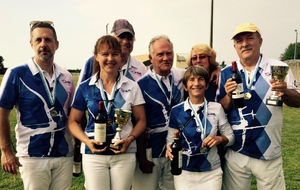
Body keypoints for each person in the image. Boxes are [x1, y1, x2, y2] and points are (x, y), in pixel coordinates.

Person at [216, 23, 300, 190]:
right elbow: (220, 109)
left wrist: (286, 92)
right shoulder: (226, 72)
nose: (244, 43)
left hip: (268, 151)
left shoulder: (279, 68)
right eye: (239, 40)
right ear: (235, 46)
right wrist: (228, 96)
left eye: (250, 38)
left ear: (260, 41)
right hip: (236, 151)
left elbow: (298, 100)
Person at [0, 21, 75, 190]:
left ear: (56, 44)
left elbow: (72, 115)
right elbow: (2, 113)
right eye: (38, 40)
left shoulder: (67, 76)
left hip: (64, 153)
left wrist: (77, 147)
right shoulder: (16, 73)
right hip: (32, 156)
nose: (43, 44)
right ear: (31, 43)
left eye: (48, 40)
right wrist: (6, 151)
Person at [67, 35, 146, 190]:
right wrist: (86, 141)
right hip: (93, 154)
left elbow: (141, 119)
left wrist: (129, 139)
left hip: (124, 153)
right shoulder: (85, 87)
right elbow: (73, 121)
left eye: (115, 54)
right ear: (96, 56)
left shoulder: (132, 86)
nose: (110, 59)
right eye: (105, 54)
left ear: (120, 56)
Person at [165, 65, 235, 190]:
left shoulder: (217, 108)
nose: (196, 83)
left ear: (207, 85)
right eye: (191, 79)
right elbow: (170, 141)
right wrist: (169, 148)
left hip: (211, 172)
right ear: (185, 87)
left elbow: (231, 138)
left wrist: (219, 139)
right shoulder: (176, 111)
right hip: (184, 173)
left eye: (201, 79)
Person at [131, 35, 185, 190]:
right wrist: (141, 157)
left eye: (169, 53)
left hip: (174, 148)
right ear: (151, 57)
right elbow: (137, 122)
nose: (166, 58)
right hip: (151, 150)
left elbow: (201, 73)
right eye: (160, 54)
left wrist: (215, 67)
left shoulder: (181, 76)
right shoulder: (140, 85)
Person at [78, 19, 147, 83]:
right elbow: (80, 91)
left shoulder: (140, 67)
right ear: (111, 38)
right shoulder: (91, 62)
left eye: (129, 38)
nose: (125, 41)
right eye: (121, 37)